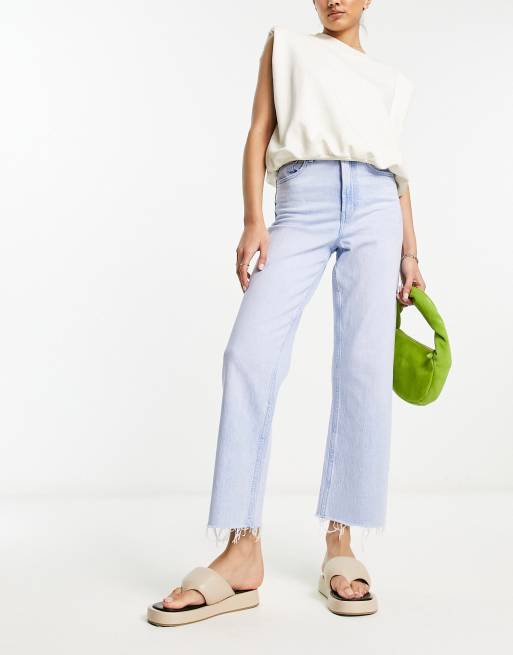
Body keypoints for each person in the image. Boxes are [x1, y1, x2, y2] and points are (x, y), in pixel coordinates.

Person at [147, 0, 426, 626]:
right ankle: (241, 548)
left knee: (363, 366)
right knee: (248, 355)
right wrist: (254, 219)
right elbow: (258, 131)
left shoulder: (392, 82)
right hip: (303, 199)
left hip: (378, 208)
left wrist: (410, 251)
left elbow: (398, 173)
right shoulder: (286, 46)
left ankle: (341, 543)